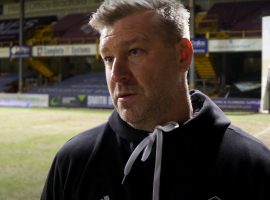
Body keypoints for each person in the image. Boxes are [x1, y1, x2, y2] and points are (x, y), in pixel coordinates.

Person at [41, 0, 270, 200]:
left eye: (134, 51)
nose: (117, 74)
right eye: (108, 58)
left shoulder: (253, 165)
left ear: (182, 56)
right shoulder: (73, 161)